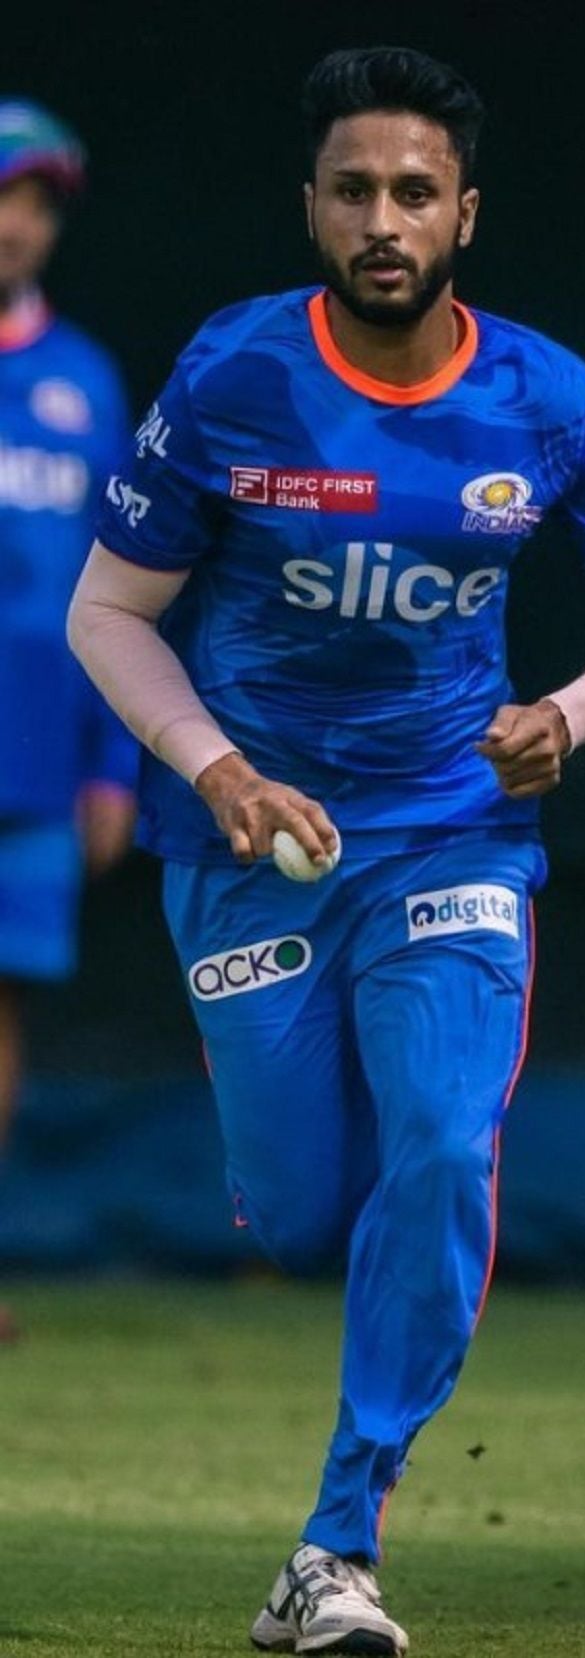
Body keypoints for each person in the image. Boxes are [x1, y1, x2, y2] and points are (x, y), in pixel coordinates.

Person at [68, 45, 585, 1656]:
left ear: (465, 216)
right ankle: (357, 1231)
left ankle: (337, 1545)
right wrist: (219, 769)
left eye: (416, 193)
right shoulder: (233, 374)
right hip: (252, 844)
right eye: (355, 190)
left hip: (452, 832)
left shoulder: (544, 396)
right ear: (311, 206)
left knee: (441, 1143)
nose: (385, 220)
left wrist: (567, 713)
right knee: (307, 1216)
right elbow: (109, 612)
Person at [0, 97, 137, 1225]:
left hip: (35, 755)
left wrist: (113, 765)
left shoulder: (86, 381)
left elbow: (122, 588)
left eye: (37, 204)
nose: (15, 224)